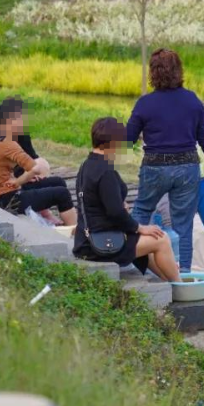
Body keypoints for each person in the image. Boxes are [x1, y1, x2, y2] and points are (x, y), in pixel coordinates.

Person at [127, 48, 204, 273]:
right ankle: (183, 277)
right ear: (179, 71)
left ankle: (133, 266)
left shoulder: (145, 104)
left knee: (141, 212)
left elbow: (127, 139)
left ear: (153, 73)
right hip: (187, 167)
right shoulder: (193, 101)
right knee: (183, 226)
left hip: (154, 166)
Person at [74, 117, 181, 282]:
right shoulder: (106, 171)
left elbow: (97, 201)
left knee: (151, 242)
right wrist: (139, 227)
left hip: (87, 239)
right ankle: (181, 287)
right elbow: (115, 212)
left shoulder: (87, 165)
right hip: (100, 244)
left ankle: (168, 281)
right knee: (161, 239)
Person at [0, 98, 77, 226]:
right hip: (6, 200)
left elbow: (0, 168)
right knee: (62, 194)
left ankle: (57, 218)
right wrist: (19, 181)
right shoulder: (8, 143)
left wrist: (20, 179)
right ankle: (75, 231)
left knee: (58, 182)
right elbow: (35, 169)